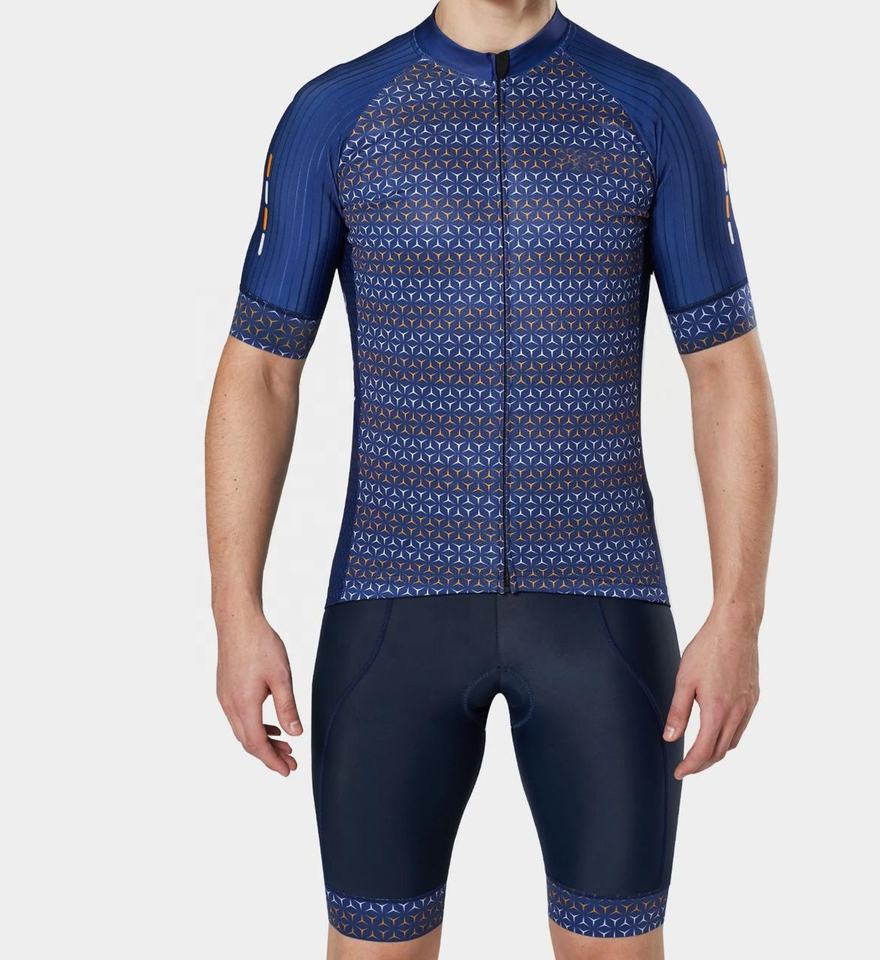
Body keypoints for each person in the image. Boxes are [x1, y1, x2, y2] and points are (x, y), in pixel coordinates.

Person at [205, 1, 777, 957]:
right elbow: (260, 368)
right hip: (391, 603)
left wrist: (739, 616)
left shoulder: (652, 111)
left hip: (602, 607)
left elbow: (724, 368)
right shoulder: (337, 113)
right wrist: (234, 610)